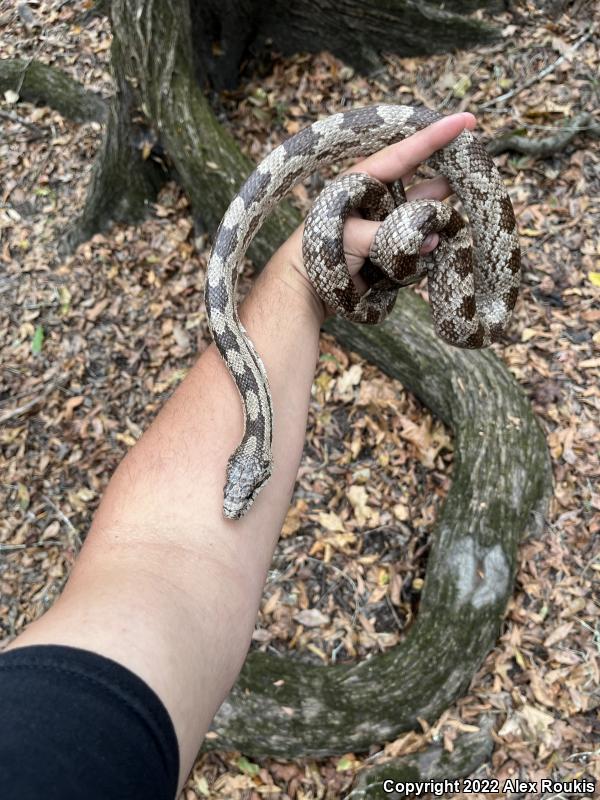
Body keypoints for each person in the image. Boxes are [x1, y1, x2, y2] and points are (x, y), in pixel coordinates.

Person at [0, 112, 477, 799]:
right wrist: (309, 266)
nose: (236, 502)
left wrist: (305, 267)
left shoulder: (52, 736)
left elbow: (164, 571)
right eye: (241, 488)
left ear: (243, 458)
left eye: (241, 488)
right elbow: (165, 573)